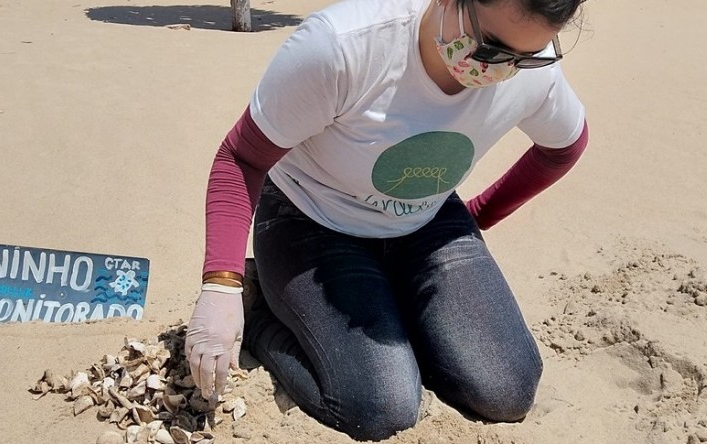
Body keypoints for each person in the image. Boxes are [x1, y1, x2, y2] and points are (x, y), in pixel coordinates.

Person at [185, 0, 588, 439]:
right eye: (490, 48)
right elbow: (241, 157)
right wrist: (221, 284)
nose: (500, 71)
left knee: (506, 390)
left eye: (525, 58)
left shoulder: (533, 73)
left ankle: (390, 308)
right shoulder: (343, 47)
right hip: (311, 216)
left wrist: (478, 216)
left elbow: (564, 147)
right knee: (381, 406)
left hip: (429, 218)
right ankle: (261, 308)